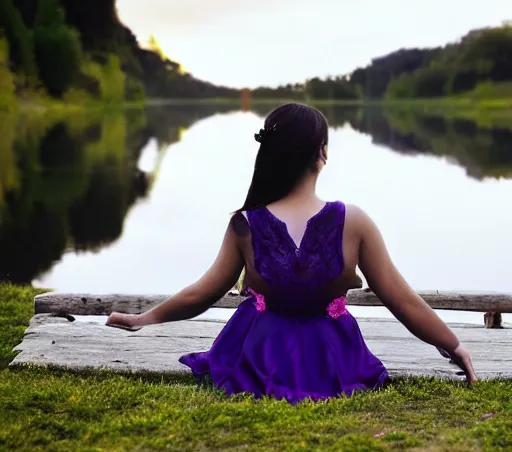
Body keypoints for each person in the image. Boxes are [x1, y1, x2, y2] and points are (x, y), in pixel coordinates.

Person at [106, 103, 478, 403]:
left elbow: (202, 293)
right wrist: (453, 344)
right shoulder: (355, 222)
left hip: (258, 355)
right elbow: (402, 300)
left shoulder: (246, 223)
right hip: (333, 359)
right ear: (322, 154)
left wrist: (146, 319)